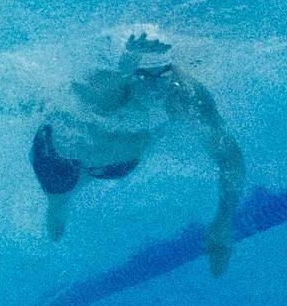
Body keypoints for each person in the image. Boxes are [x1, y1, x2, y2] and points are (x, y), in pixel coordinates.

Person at [33, 26, 247, 274]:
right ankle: (58, 206)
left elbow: (230, 159)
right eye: (145, 76)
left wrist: (225, 218)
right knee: (60, 195)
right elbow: (102, 100)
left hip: (115, 163)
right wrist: (124, 69)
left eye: (162, 74)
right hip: (58, 160)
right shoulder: (105, 84)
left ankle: (75, 188)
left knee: (134, 143)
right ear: (131, 73)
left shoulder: (184, 92)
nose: (156, 86)